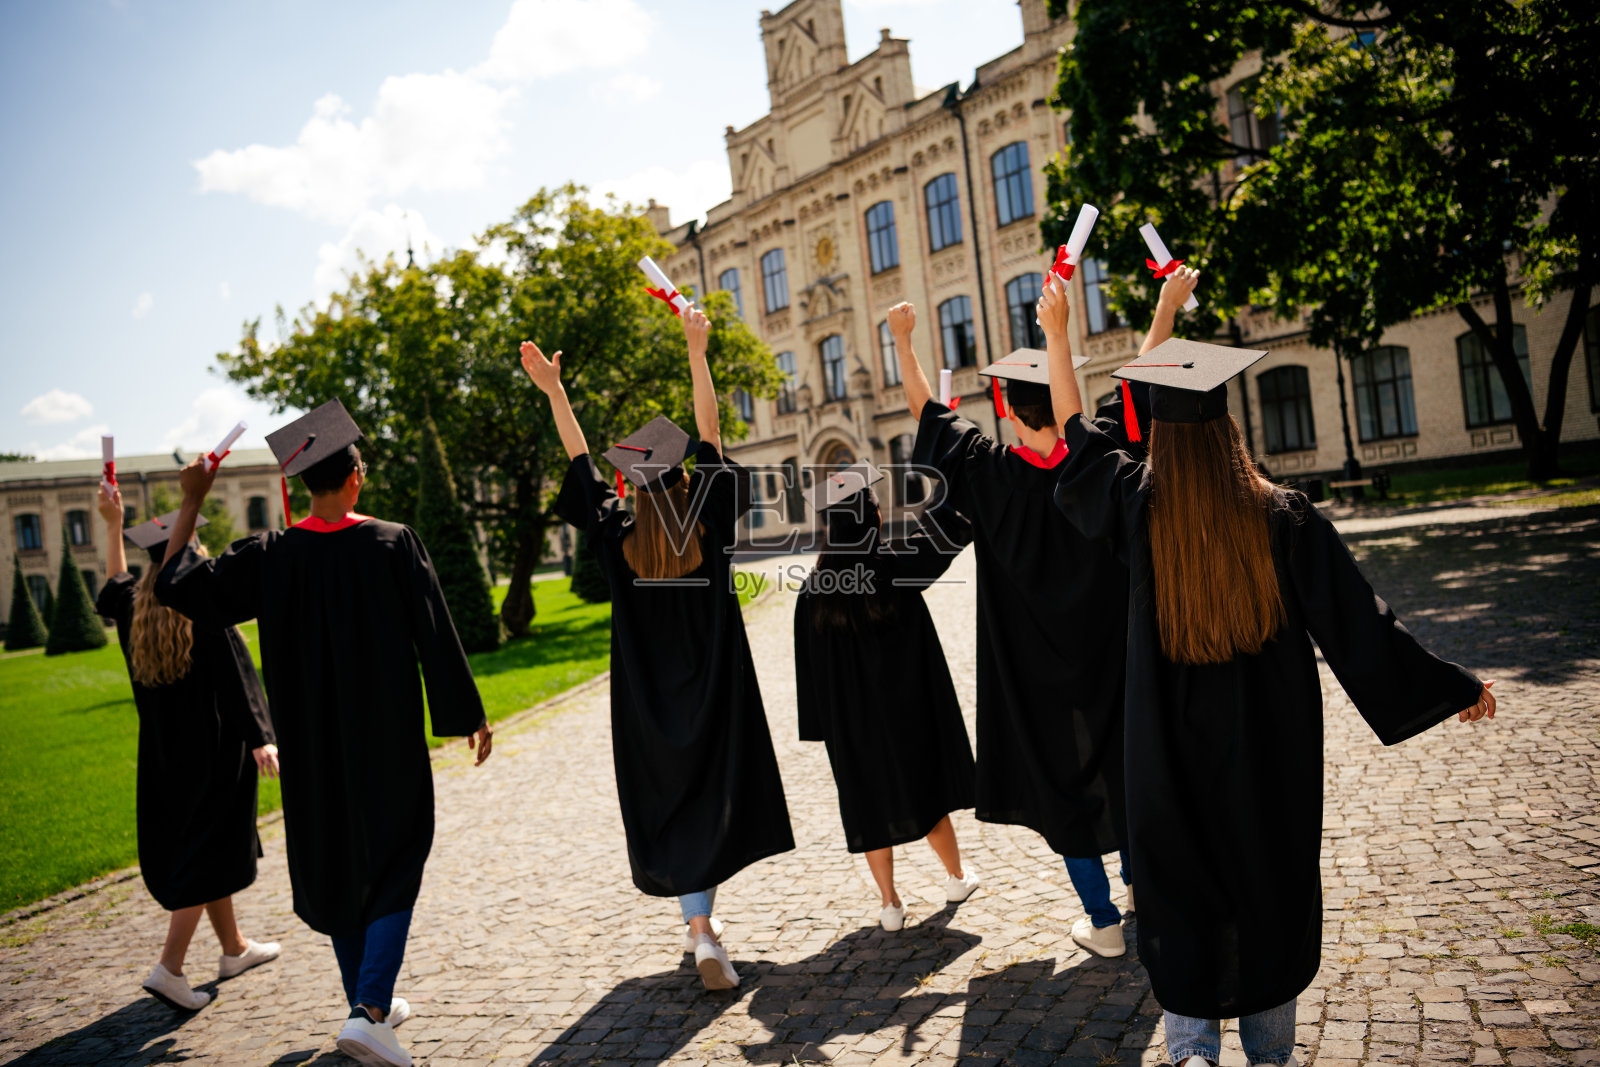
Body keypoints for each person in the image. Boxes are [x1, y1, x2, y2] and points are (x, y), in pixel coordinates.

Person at [1042, 268, 1496, 1067]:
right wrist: (1453, 684)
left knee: (1181, 891)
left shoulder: (1138, 510)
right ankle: (1270, 1054)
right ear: (1228, 428)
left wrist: (1059, 335)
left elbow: (1082, 434)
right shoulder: (1283, 517)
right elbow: (1364, 625)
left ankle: (1190, 1052)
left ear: (1160, 437)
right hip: (1266, 765)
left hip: (1168, 769)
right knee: (1266, 886)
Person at [154, 399, 494, 1067]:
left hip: (310, 753)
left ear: (299, 485)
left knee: (340, 866)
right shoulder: (394, 542)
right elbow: (435, 635)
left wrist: (191, 501)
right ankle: (369, 1008)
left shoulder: (270, 555)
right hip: (387, 745)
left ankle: (367, 1005)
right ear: (357, 476)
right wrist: (467, 713)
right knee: (396, 862)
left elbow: (177, 584)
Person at [522, 307, 794, 992]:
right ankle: (703, 930)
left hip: (648, 704)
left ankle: (700, 927)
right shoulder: (708, 526)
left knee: (674, 800)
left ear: (634, 490)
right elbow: (710, 431)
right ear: (682, 484)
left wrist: (557, 393)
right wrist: (695, 352)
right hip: (715, 695)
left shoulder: (618, 540)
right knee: (710, 795)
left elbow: (580, 463)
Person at [890, 300, 1135, 958]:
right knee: (1123, 756)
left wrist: (904, 340)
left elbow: (925, 411)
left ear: (1004, 406)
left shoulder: (986, 473)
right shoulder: (1099, 457)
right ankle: (1142, 885)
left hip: (1033, 672)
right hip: (1111, 651)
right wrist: (1163, 306)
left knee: (1065, 783)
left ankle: (1103, 920)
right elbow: (1143, 372)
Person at [93, 491, 281, 1011]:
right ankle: (169, 968)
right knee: (207, 853)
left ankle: (234, 949)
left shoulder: (134, 608)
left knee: (206, 847)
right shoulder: (203, 609)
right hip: (215, 753)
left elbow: (112, 581)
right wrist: (262, 737)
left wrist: (114, 524)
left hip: (161, 758)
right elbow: (239, 679)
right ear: (192, 549)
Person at [793, 461, 981, 931]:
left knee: (868, 806)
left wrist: (822, 727)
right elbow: (949, 529)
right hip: (906, 713)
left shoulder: (814, 590)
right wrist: (956, 475)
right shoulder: (894, 566)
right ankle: (956, 877)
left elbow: (808, 671)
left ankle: (890, 904)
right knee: (925, 794)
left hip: (850, 726)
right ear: (873, 519)